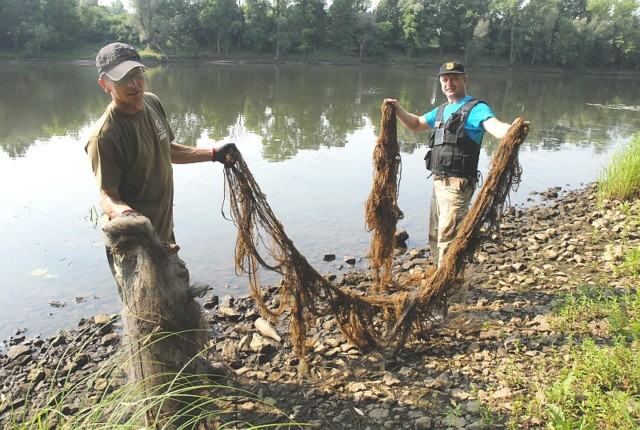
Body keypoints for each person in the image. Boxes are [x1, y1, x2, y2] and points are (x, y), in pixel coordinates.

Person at [85, 42, 236, 297]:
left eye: (137, 74)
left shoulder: (152, 103)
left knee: (177, 293)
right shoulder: (104, 136)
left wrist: (214, 154)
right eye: (122, 79)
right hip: (134, 242)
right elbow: (108, 196)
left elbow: (168, 148)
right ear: (105, 85)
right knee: (145, 308)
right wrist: (130, 217)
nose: (133, 84)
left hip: (163, 231)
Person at [385, 61, 514, 266]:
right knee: (435, 235)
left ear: (465, 79)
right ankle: (438, 276)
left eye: (454, 78)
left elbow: (495, 127)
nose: (449, 83)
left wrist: (512, 130)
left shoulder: (476, 109)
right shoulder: (442, 109)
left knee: (448, 238)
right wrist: (397, 108)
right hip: (439, 183)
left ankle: (446, 286)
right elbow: (416, 124)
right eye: (445, 79)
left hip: (458, 186)